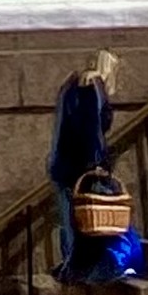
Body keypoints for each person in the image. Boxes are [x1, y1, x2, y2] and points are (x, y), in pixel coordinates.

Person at [48, 50, 117, 282]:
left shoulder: (70, 86)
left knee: (69, 223)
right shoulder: (92, 87)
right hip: (82, 166)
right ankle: (82, 277)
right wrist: (97, 161)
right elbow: (92, 128)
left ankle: (71, 273)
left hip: (62, 164)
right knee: (89, 226)